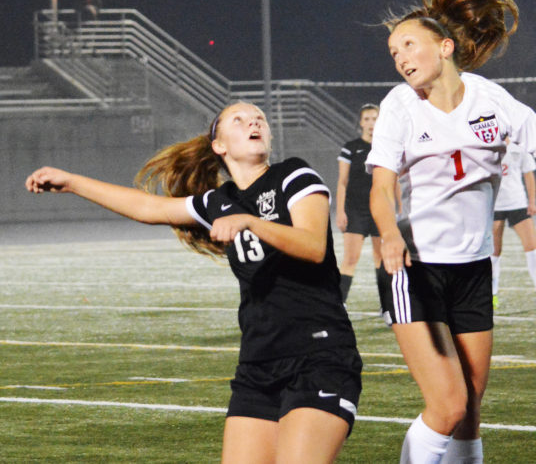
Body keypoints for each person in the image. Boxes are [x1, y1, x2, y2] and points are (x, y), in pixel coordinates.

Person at [366, 0, 536, 464]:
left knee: (471, 407)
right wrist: (389, 234)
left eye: (409, 45)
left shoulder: (494, 101)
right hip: (415, 269)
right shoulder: (399, 104)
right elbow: (381, 186)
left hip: (472, 268)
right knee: (447, 403)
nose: (400, 57)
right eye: (393, 51)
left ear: (445, 46)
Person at [25, 101, 362, 464]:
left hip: (319, 356)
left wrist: (250, 222)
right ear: (219, 145)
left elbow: (313, 246)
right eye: (240, 119)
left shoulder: (294, 175)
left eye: (259, 118)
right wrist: (73, 182)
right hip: (258, 364)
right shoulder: (220, 202)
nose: (254, 122)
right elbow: (148, 208)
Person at [492, 138, 536, 310]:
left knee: (532, 248)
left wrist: (532, 201)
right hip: (494, 206)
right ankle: (491, 296)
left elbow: (529, 174)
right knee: (493, 253)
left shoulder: (518, 147)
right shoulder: (486, 147)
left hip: (518, 203)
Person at [336, 103, 382, 303]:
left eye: (375, 118)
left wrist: (399, 208)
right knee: (350, 259)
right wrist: (340, 211)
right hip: (355, 210)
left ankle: (387, 307)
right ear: (360, 123)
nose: (371, 123)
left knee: (382, 260)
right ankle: (339, 305)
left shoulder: (385, 146)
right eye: (367, 119)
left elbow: (394, 181)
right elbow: (342, 182)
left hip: (380, 210)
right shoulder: (351, 147)